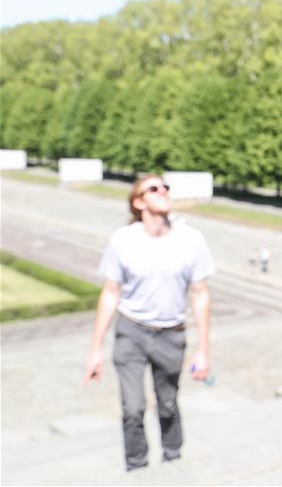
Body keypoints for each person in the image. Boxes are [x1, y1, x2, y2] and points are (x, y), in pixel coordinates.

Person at [83, 174, 214, 471]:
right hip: (132, 331)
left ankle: (172, 462)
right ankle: (137, 468)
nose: (163, 191)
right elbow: (110, 293)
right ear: (138, 202)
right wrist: (96, 349)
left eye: (165, 187)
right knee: (133, 408)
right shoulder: (123, 240)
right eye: (153, 188)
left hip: (171, 333)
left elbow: (201, 294)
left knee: (167, 405)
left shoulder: (191, 240)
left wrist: (203, 350)